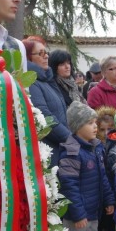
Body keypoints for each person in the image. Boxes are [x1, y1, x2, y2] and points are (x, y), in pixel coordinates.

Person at [58, 101, 115, 231]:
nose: (95, 126)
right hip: (80, 213)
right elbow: (69, 186)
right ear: (76, 126)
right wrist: (77, 214)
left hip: (94, 210)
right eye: (90, 123)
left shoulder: (96, 147)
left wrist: (108, 200)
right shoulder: (71, 151)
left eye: (95, 122)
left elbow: (103, 178)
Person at [23, 38, 70, 167]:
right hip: (49, 150)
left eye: (46, 52)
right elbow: (44, 116)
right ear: (27, 57)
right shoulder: (32, 82)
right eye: (40, 53)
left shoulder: (46, 80)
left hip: (60, 146)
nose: (46, 56)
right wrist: (70, 138)